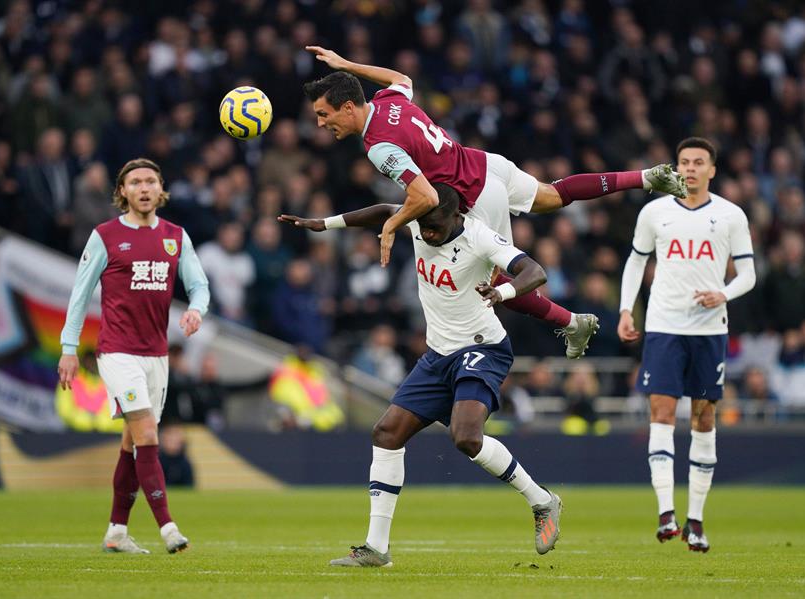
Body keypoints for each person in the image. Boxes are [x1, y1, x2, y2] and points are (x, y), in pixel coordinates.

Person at [302, 46, 688, 358]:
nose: (321, 123)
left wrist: (390, 225)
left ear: (348, 107)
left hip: (475, 195)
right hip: (484, 163)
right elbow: (402, 79)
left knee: (500, 282)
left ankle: (573, 323)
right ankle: (645, 177)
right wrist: (347, 65)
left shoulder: (378, 146)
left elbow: (426, 196)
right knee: (553, 194)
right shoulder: (388, 101)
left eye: (324, 114)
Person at [280, 183, 563, 567]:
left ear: (455, 216)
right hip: (438, 353)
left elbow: (535, 270)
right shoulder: (417, 219)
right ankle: (377, 548)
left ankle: (542, 500)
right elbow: (383, 210)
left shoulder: (479, 236)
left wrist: (504, 294)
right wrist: (324, 224)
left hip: (482, 348)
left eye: (433, 227)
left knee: (465, 437)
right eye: (421, 225)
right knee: (386, 432)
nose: (425, 233)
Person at [58, 158, 210, 554]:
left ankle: (117, 532)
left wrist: (196, 310)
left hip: (156, 355)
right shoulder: (105, 236)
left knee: (131, 445)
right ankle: (169, 529)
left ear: (161, 190)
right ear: (122, 192)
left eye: (150, 181)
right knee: (147, 435)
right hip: (117, 352)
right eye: (135, 182)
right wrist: (69, 348)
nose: (143, 188)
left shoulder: (175, 236)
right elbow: (79, 295)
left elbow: (200, 285)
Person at [617, 137, 756, 553]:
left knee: (703, 418)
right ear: (676, 169)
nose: (691, 169)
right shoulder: (655, 212)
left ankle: (696, 520)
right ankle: (666, 514)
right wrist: (627, 310)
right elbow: (636, 260)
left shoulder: (730, 216)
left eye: (699, 162)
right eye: (684, 163)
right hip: (663, 324)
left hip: (710, 328)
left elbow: (748, 274)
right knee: (660, 410)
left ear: (712, 170)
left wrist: (724, 294)